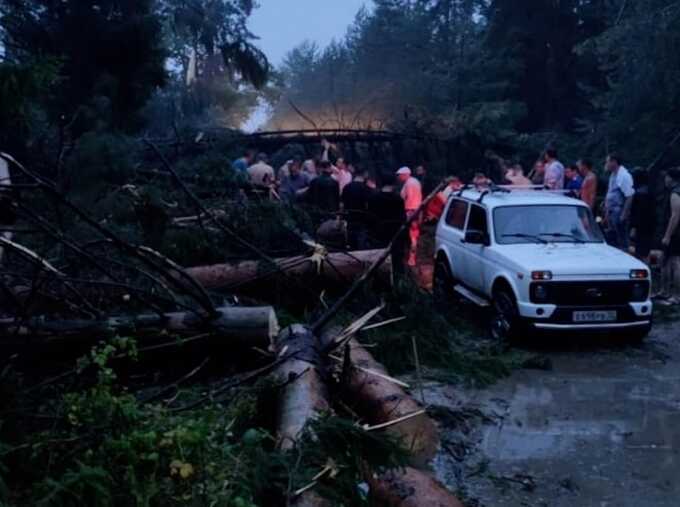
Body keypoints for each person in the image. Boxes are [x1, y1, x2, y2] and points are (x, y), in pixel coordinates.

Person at [368, 177, 407, 274]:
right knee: (396, 260)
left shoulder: (374, 198)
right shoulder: (398, 199)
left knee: (378, 260)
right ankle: (397, 280)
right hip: (394, 234)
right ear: (393, 184)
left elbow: (369, 216)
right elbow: (403, 219)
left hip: (378, 234)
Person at [604, 153, 635, 250]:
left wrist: (624, 214)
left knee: (622, 239)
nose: (606, 164)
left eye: (608, 161)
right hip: (611, 211)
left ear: (614, 162)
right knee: (613, 238)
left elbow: (629, 195)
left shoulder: (624, 176)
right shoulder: (613, 175)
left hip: (619, 211)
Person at [659, 167, 680, 304]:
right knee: (666, 261)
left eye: (666, 177)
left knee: (675, 262)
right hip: (675, 232)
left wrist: (667, 235)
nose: (665, 179)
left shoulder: (675, 193)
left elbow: (675, 216)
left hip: (676, 233)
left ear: (671, 178)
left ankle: (676, 295)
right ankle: (665, 291)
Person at [342, 170, 375, 249]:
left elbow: (343, 203)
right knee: (361, 242)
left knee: (351, 242)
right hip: (363, 220)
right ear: (365, 175)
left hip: (350, 218)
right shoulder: (367, 189)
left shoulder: (346, 187)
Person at [397, 167, 423, 267]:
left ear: (405, 174)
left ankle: (411, 258)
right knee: (414, 235)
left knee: (412, 236)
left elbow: (404, 197)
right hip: (418, 210)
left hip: (410, 211)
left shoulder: (409, 183)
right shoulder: (415, 181)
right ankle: (411, 256)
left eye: (399, 175)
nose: (398, 177)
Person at [630, 169, 653, 261]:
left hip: (640, 227)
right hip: (649, 226)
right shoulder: (650, 192)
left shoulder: (639, 194)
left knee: (640, 251)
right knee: (645, 251)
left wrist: (634, 227)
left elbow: (638, 213)